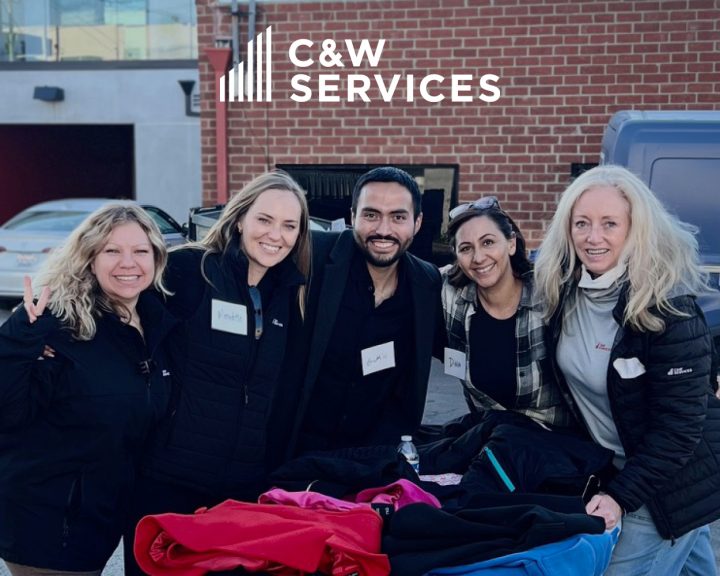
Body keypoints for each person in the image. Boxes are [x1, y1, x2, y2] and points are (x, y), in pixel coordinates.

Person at [534, 164, 720, 575]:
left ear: (636, 230)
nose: (592, 237)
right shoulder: (565, 293)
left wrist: (620, 495)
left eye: (609, 223)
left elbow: (678, 432)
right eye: (581, 223)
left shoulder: (669, 310)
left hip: (667, 483)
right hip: (621, 468)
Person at [124, 170, 311, 574]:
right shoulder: (192, 270)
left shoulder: (288, 297)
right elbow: (116, 300)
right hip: (167, 480)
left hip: (240, 491)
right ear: (240, 217)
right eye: (265, 219)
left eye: (289, 225)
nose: (275, 234)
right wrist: (50, 332)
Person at [0, 204, 175, 575]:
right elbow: (9, 415)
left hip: (105, 517)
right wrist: (17, 342)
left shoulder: (158, 323)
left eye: (140, 251)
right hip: (48, 523)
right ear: (89, 258)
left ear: (157, 259)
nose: (128, 262)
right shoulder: (56, 325)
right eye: (112, 250)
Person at [287, 166, 445, 456]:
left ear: (418, 222)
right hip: (295, 449)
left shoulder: (427, 282)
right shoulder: (312, 256)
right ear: (352, 216)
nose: (383, 230)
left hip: (371, 457)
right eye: (371, 215)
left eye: (398, 217)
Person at [441, 197, 576, 429]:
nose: (478, 257)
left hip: (553, 441)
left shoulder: (550, 294)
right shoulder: (452, 295)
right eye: (466, 248)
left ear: (511, 243)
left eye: (488, 242)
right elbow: (403, 274)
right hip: (491, 437)